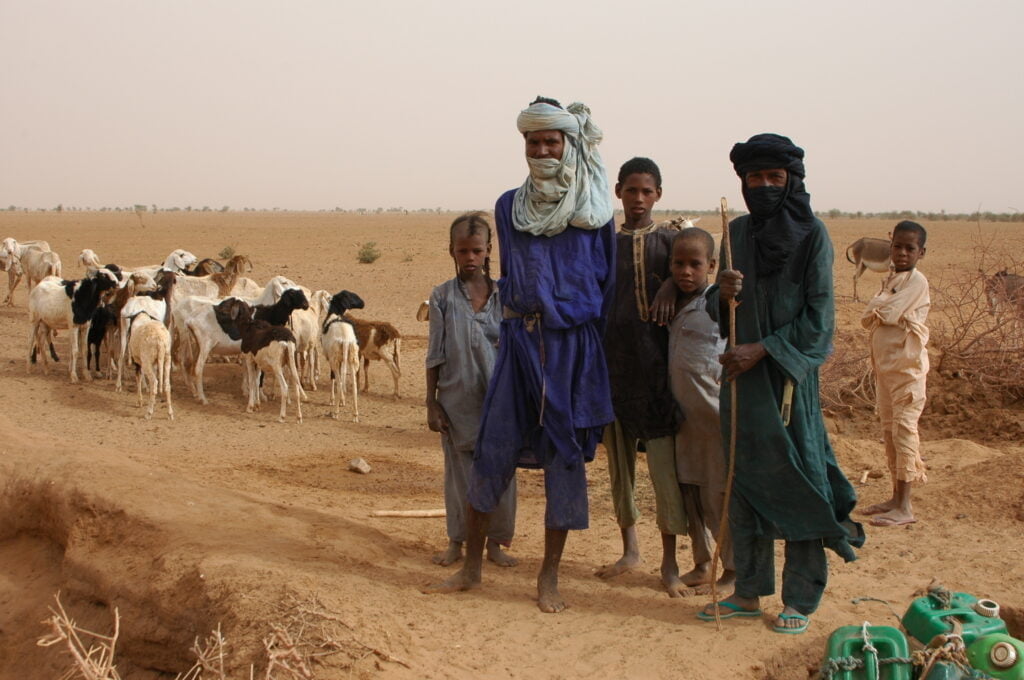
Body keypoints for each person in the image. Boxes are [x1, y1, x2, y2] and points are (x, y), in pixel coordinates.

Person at [424, 96, 616, 613]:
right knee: (493, 448)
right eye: (534, 142)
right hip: (519, 340)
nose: (543, 149)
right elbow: (511, 274)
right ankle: (471, 570)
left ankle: (548, 579)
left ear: (568, 143)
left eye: (552, 141)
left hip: (572, 347)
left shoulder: (594, 209)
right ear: (525, 145)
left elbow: (607, 278)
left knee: (565, 460)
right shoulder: (510, 206)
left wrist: (583, 348)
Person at [698, 133, 863, 634]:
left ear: (792, 181)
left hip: (788, 385)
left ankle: (801, 597)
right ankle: (747, 592)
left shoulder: (813, 235)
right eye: (756, 178)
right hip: (741, 387)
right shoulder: (738, 233)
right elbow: (720, 314)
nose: (765, 186)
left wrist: (762, 349)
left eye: (775, 177)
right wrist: (717, 292)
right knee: (744, 481)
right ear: (743, 183)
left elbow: (820, 320)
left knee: (800, 481)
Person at [596, 157, 690, 596]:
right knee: (619, 469)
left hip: (657, 373)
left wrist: (670, 283)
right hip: (613, 368)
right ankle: (630, 548)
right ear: (618, 192)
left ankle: (670, 563)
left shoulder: (671, 243)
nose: (638, 199)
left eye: (646, 192)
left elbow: (694, 278)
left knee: (663, 472)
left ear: (658, 195)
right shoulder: (605, 244)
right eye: (630, 191)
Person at [425, 211, 518, 567]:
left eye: (476, 251)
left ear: (489, 249)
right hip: (456, 401)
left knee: (502, 475)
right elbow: (435, 353)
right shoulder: (442, 297)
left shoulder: (506, 295)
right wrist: (431, 403)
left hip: (500, 404)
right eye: (463, 251)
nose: (470, 259)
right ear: (451, 251)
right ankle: (457, 542)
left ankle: (496, 543)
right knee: (459, 477)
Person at [667, 227, 735, 590]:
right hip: (683, 420)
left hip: (713, 420)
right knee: (689, 494)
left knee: (717, 497)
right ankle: (701, 561)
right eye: (678, 264)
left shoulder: (717, 304)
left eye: (695, 264)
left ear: (710, 265)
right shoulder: (671, 302)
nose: (686, 272)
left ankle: (734, 569)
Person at [859, 220, 929, 527]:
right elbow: (866, 317)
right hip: (887, 372)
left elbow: (884, 313)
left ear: (921, 252)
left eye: (909, 248)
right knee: (889, 431)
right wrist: (880, 304)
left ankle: (905, 506)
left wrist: (879, 305)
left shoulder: (916, 282)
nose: (901, 253)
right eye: (897, 246)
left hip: (906, 373)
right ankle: (894, 496)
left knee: (903, 430)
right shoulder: (892, 281)